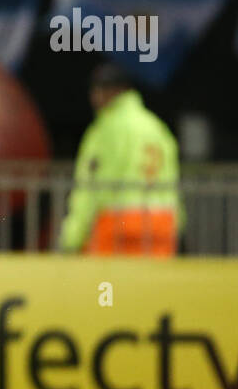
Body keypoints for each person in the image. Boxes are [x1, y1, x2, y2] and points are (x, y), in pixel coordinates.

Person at [57, 62, 182, 255]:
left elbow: (90, 186)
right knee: (151, 285)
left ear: (107, 93)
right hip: (161, 223)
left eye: (96, 91)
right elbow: (172, 180)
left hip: (117, 224)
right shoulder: (157, 127)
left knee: (107, 285)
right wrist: (178, 223)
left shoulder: (105, 130)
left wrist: (73, 236)